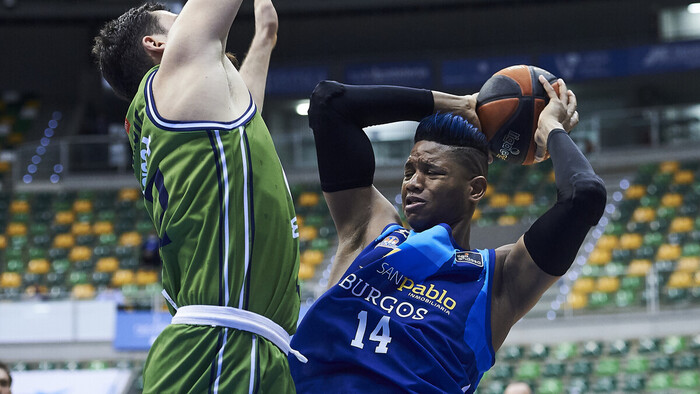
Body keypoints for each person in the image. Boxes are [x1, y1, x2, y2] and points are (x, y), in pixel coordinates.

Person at [288, 76, 606, 393]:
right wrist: (463, 104)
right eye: (409, 171)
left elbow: (584, 196)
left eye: (432, 172)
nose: (413, 182)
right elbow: (330, 103)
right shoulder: (370, 231)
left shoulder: (498, 279)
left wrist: (551, 128)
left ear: (475, 188)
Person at [92, 1, 303, 392]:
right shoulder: (174, 78)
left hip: (231, 343)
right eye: (179, 21)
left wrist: (265, 38)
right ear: (157, 44)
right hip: (219, 345)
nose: (196, 25)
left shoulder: (186, 114)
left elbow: (246, 107)